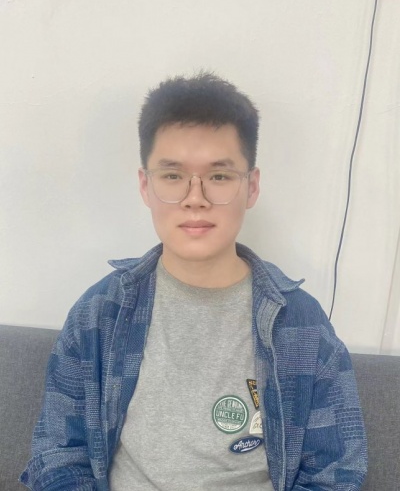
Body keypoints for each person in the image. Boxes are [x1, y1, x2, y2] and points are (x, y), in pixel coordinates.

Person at [20, 73, 367, 490]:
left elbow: (336, 473)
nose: (195, 198)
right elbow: (58, 455)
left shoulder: (301, 325)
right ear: (145, 186)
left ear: (251, 187)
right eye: (172, 176)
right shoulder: (100, 313)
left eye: (219, 176)